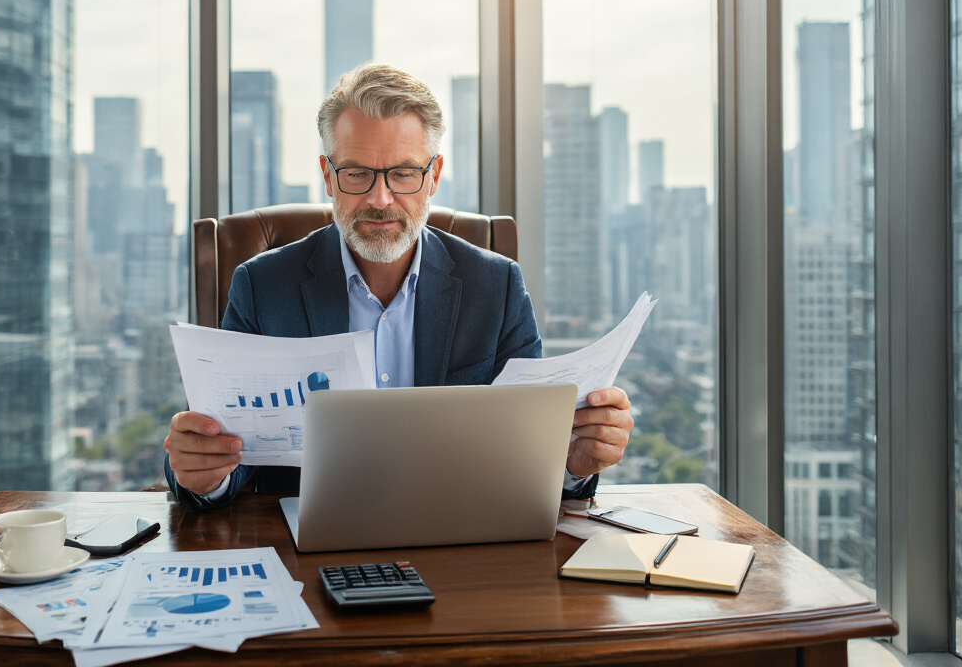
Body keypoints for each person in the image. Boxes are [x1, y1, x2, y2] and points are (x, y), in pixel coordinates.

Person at [164, 64, 633, 507]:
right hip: (305, 550)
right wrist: (206, 474)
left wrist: (573, 463)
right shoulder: (261, 287)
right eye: (356, 174)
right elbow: (224, 452)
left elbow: (532, 452)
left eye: (404, 173)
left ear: (433, 176)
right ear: (328, 175)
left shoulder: (496, 286)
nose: (380, 199)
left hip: (459, 537)